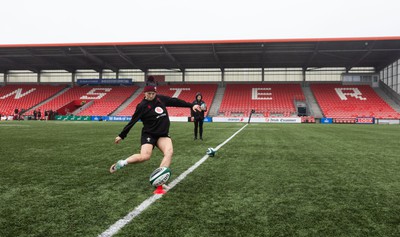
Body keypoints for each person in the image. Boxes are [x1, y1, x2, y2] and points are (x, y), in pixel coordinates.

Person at [109, 85, 201, 173]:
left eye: (153, 93)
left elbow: (175, 101)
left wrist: (191, 105)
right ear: (144, 93)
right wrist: (121, 135)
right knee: (144, 156)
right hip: (149, 134)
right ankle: (122, 163)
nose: (151, 95)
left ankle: (160, 180)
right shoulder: (141, 106)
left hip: (162, 134)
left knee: (169, 152)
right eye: (149, 93)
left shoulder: (160, 99)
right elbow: (132, 121)